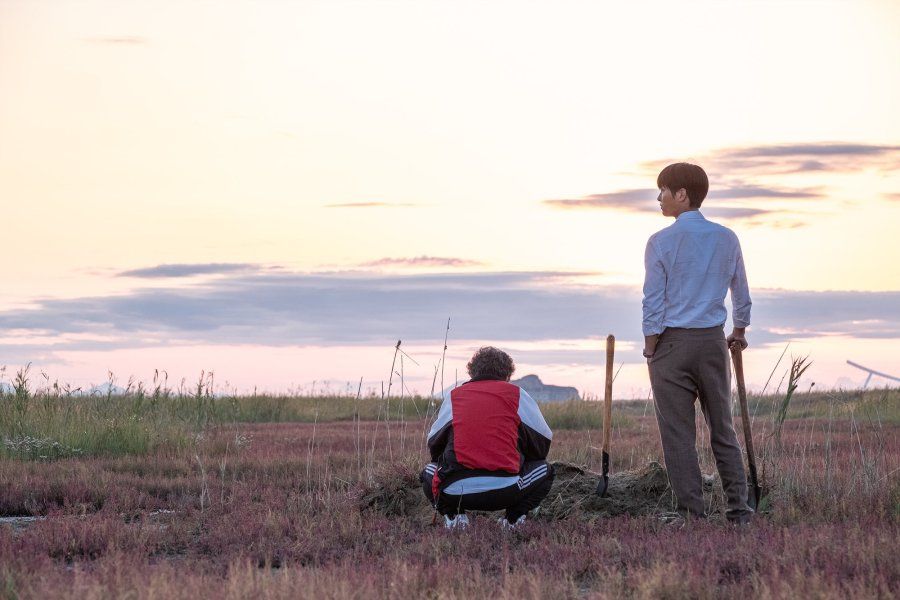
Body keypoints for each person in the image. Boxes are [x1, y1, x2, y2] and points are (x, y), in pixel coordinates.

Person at [642, 162, 754, 525]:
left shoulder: (660, 241)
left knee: (678, 435)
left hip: (671, 345)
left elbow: (652, 301)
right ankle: (739, 510)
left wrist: (650, 347)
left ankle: (692, 516)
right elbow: (741, 292)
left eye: (663, 190)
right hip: (712, 342)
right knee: (723, 428)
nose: (658, 198)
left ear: (682, 194)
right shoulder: (727, 238)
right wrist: (739, 331)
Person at [421, 346, 555, 529]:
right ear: (507, 374)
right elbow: (543, 442)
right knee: (546, 470)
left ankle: (454, 517)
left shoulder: (454, 396)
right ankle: (512, 520)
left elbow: (434, 444)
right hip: (506, 490)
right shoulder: (517, 395)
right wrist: (519, 456)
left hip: (456, 491)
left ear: (472, 372)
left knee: (428, 471)